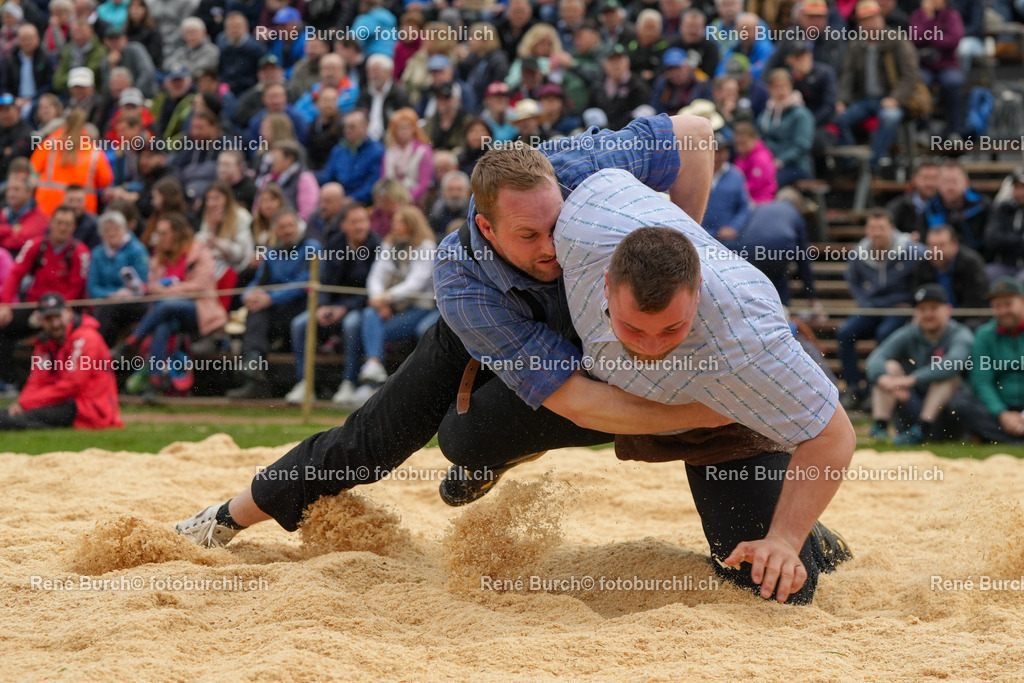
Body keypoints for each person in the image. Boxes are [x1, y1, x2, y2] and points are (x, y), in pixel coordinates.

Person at [553, 169, 854, 605]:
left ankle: (815, 536)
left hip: (726, 433)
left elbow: (834, 433)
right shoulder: (577, 228)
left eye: (671, 328)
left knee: (775, 589)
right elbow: (691, 133)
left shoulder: (750, 339)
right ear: (606, 288)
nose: (652, 346)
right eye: (634, 329)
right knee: (469, 435)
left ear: (698, 294)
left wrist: (786, 538)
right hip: (634, 399)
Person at [118, 212, 226, 397]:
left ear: (177, 233)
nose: (158, 238)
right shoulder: (159, 258)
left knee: (168, 305)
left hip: (198, 311)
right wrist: (151, 288)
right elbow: (153, 285)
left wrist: (168, 291)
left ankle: (133, 340)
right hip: (167, 315)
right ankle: (155, 381)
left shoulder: (200, 253)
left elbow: (200, 286)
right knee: (163, 327)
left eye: (163, 233)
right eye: (158, 233)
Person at [285, 203, 381, 406]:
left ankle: (349, 382)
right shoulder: (334, 244)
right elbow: (324, 280)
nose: (359, 226)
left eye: (363, 221)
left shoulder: (377, 247)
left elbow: (373, 288)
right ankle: (305, 382)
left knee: (352, 324)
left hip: (360, 308)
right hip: (332, 306)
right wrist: (323, 305)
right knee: (300, 324)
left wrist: (344, 308)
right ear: (344, 225)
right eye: (354, 222)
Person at [348, 205, 437, 408]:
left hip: (420, 308)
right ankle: (373, 368)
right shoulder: (390, 244)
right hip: (392, 306)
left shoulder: (426, 246)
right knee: (370, 315)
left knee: (371, 327)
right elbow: (376, 275)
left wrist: (385, 298)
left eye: (400, 222)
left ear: (412, 225)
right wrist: (379, 300)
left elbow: (415, 284)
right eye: (394, 221)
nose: (394, 226)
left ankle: (374, 378)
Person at [227, 209, 319, 399]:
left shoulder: (311, 247)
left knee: (261, 309)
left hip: (303, 308)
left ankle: (301, 384)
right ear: (275, 231)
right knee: (255, 310)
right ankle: (253, 369)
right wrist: (248, 295)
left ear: (297, 226)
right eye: (282, 227)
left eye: (291, 225)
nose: (287, 231)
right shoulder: (271, 252)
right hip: (277, 311)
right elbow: (258, 282)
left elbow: (304, 283)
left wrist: (271, 298)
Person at [865, 284, 973, 445]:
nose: (928, 314)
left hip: (948, 413)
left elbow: (951, 365)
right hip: (912, 403)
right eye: (922, 309)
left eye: (933, 308)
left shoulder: (961, 334)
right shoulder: (909, 332)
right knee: (889, 367)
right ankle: (880, 428)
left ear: (948, 310)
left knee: (949, 378)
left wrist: (909, 380)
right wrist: (884, 380)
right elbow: (875, 358)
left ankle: (922, 430)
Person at [837, 209, 923, 408]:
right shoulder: (859, 253)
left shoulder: (912, 250)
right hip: (871, 307)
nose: (876, 233)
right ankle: (853, 388)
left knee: (884, 334)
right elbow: (852, 280)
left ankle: (875, 387)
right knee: (844, 332)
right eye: (872, 228)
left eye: (881, 228)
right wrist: (864, 301)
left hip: (898, 307)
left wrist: (913, 302)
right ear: (867, 230)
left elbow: (925, 273)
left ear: (891, 229)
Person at [0, 292, 122, 430]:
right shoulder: (45, 342)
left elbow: (73, 384)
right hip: (65, 401)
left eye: (57, 316)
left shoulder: (87, 337)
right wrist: (22, 403)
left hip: (89, 408)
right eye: (48, 319)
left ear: (68, 312)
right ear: (40, 320)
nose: (55, 324)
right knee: (6, 416)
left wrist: (26, 403)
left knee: (13, 420)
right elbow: (37, 380)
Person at [0, 206, 91, 387]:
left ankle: (65, 383)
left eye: (67, 224)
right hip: (34, 307)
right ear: (51, 223)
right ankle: (10, 381)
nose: (62, 228)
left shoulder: (80, 252)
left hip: (63, 310)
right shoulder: (35, 245)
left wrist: (50, 314)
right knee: (2, 325)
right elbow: (15, 274)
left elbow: (75, 289)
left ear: (74, 227)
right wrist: (5, 304)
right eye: (59, 223)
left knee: (70, 334)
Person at [834, 0, 921, 171]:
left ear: (881, 19)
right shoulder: (856, 45)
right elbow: (848, 76)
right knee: (838, 119)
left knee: (890, 117)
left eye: (873, 19)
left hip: (890, 97)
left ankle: (873, 164)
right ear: (859, 24)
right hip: (864, 99)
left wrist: (896, 98)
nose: (870, 24)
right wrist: (842, 100)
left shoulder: (897, 41)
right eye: (865, 20)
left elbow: (910, 76)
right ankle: (851, 163)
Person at [948, 278, 1024, 444]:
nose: (1003, 311)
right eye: (997, 306)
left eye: (1008, 304)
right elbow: (982, 381)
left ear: (1022, 302)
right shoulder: (984, 335)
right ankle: (1014, 439)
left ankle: (1005, 439)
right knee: (960, 404)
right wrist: (1002, 413)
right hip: (999, 407)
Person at [86, 210, 149, 345]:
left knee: (108, 311)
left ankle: (97, 354)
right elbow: (93, 287)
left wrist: (125, 294)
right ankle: (103, 356)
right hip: (107, 301)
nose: (112, 233)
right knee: (107, 313)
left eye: (116, 229)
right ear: (101, 233)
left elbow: (142, 283)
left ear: (124, 229)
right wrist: (112, 294)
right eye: (107, 230)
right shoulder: (97, 253)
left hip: (133, 302)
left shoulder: (137, 249)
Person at [912, 225, 989, 327]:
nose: (935, 252)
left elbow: (976, 304)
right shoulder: (923, 265)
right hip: (932, 317)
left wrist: (945, 316)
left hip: (967, 319)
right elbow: (917, 296)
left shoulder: (971, 263)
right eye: (931, 246)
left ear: (954, 245)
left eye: (941, 245)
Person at [757, 69, 813, 188]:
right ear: (769, 89)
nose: (781, 91)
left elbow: (802, 146)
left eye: (784, 86)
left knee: (769, 182)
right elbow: (759, 140)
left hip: (795, 166)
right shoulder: (765, 115)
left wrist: (780, 161)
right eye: (776, 87)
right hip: (767, 163)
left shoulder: (801, 114)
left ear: (791, 87)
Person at [316, 109, 384, 206]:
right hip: (336, 200)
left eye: (352, 127)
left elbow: (373, 184)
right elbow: (328, 177)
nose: (347, 130)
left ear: (365, 126)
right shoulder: (338, 150)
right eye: (345, 126)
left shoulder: (377, 151)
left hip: (362, 204)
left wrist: (352, 199)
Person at [924, 160, 991, 257]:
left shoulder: (982, 205)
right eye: (945, 182)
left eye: (954, 181)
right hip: (942, 261)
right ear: (938, 183)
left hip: (980, 260)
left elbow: (990, 242)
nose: (950, 187)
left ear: (966, 182)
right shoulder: (930, 207)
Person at [380, 107, 434, 206]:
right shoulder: (389, 152)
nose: (404, 131)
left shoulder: (423, 151)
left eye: (407, 127)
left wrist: (407, 199)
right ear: (394, 130)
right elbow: (384, 179)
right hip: (391, 200)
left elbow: (424, 183)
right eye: (400, 127)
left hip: (415, 201)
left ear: (414, 129)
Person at [984, 167, 1024, 284]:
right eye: (1017, 187)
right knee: (985, 274)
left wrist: (1007, 239)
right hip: (1005, 264)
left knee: (1021, 282)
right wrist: (1019, 240)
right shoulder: (1003, 209)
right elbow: (991, 239)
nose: (1020, 192)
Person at [886, 161, 939, 238]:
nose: (929, 183)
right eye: (925, 178)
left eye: (934, 178)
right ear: (914, 179)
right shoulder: (897, 207)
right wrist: (906, 238)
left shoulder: (946, 205)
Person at [0, 175, 48, 255]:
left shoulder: (38, 217)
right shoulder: (4, 211)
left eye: (16, 189)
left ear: (29, 192)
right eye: (9, 189)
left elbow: (19, 242)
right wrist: (10, 229)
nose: (11, 193)